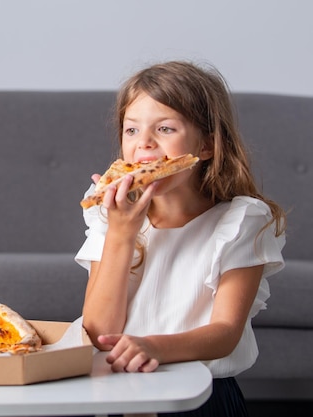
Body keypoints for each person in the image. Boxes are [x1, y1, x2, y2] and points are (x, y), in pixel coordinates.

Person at [75, 61, 286, 417]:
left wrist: (153, 346)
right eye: (131, 130)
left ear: (205, 146)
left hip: (203, 397)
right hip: (120, 393)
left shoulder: (240, 221)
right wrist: (121, 234)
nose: (144, 143)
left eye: (165, 128)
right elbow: (98, 333)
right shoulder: (108, 216)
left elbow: (225, 332)